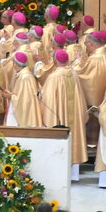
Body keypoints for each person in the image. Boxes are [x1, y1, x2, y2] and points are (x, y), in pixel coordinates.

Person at [39, 51, 88, 179]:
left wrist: (39, 93)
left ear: (55, 61)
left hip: (60, 116)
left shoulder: (54, 76)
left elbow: (47, 100)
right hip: (74, 117)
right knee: (74, 136)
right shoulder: (74, 74)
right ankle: (74, 175)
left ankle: (60, 175)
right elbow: (80, 96)